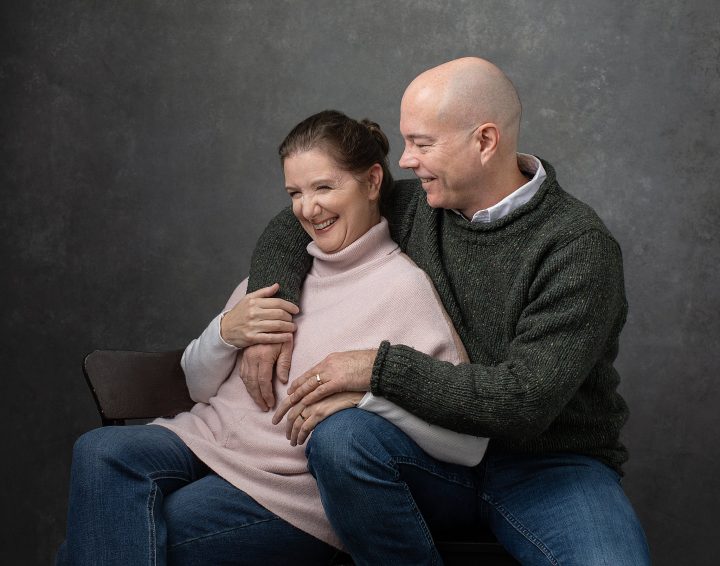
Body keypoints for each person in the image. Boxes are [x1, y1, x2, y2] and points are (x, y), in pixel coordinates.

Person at [244, 57, 652, 565]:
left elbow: (523, 402)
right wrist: (268, 317)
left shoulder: (576, 246)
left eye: (422, 143)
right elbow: (295, 220)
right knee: (341, 440)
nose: (406, 161)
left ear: (484, 142)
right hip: (435, 454)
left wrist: (376, 367)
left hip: (551, 467)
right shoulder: (417, 205)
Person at [55, 110, 488, 565]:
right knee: (100, 450)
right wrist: (226, 332)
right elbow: (198, 388)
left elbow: (464, 439)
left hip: (284, 487)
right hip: (204, 441)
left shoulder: (405, 289)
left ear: (373, 181)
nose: (307, 208)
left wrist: (364, 398)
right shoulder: (281, 272)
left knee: (88, 549)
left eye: (324, 187)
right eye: (295, 193)